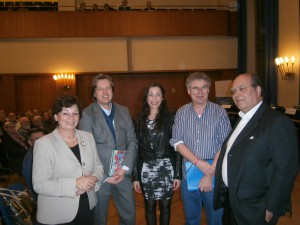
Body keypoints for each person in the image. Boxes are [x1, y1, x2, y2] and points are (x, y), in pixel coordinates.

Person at [213, 73, 299, 225]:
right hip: (233, 201)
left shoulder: (277, 122)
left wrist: (272, 207)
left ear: (258, 90)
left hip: (256, 207)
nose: (236, 94)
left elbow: (286, 170)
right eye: (233, 91)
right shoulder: (242, 118)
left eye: (241, 88)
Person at [170, 72, 231, 225]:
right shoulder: (181, 112)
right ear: (188, 91)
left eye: (204, 88)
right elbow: (177, 142)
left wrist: (209, 174)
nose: (200, 92)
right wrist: (199, 163)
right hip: (188, 176)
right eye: (195, 88)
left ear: (209, 90)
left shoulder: (220, 112)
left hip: (215, 176)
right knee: (191, 220)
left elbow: (225, 144)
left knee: (215, 220)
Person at [32, 94, 104, 225]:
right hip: (58, 212)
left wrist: (93, 179)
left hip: (87, 205)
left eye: (75, 113)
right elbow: (39, 184)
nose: (71, 118)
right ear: (55, 116)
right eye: (65, 113)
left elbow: (98, 167)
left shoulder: (88, 137)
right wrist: (74, 184)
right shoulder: (44, 144)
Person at [78, 73, 137, 225]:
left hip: (122, 174)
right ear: (94, 93)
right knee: (99, 219)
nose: (105, 92)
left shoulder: (124, 111)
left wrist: (124, 168)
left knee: (129, 216)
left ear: (113, 91)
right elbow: (86, 151)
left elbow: (132, 141)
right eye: (100, 89)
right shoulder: (86, 114)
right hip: (100, 178)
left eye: (108, 88)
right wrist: (104, 176)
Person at [133, 83, 182, 225]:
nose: (154, 98)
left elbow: (177, 146)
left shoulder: (172, 118)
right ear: (146, 98)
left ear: (163, 97)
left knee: (166, 207)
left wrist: (178, 174)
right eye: (151, 94)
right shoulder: (138, 119)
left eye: (158, 94)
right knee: (149, 207)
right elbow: (136, 149)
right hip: (146, 169)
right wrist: (136, 176)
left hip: (166, 167)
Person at [22, 128, 46, 201]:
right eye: (37, 139)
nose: (42, 141)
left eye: (44, 138)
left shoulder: (44, 151)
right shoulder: (30, 159)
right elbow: (34, 185)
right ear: (30, 142)